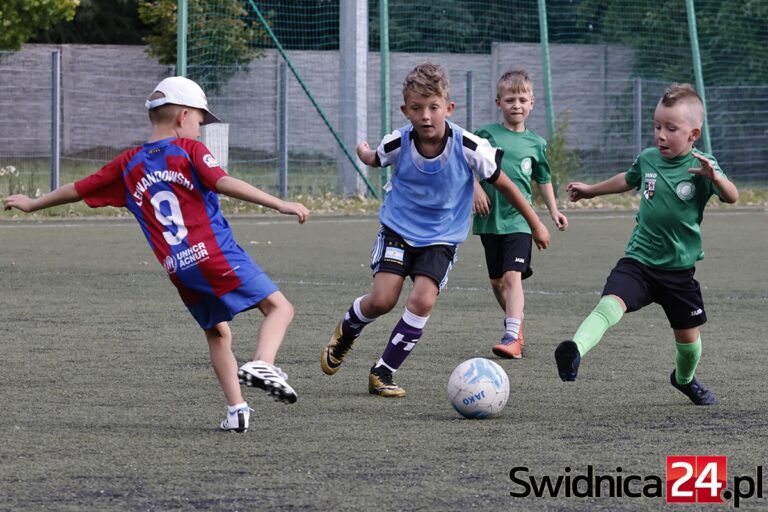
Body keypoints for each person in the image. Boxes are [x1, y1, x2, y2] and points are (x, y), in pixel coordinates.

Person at [3, 76, 310, 432]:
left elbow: (77, 188)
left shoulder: (128, 164)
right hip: (214, 255)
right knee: (279, 308)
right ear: (182, 117)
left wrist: (33, 203)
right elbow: (223, 181)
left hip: (179, 269)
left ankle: (236, 409)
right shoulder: (189, 151)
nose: (200, 129)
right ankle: (263, 362)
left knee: (217, 333)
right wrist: (279, 203)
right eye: (199, 120)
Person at [320, 62, 551, 397]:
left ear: (449, 108)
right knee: (383, 299)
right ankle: (349, 328)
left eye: (433, 107)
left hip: (441, 238)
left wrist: (536, 223)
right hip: (398, 230)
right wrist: (364, 152)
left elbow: (506, 185)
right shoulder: (399, 142)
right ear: (405, 110)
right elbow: (374, 158)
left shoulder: (469, 146)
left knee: (423, 300)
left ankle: (383, 371)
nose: (426, 116)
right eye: (417, 108)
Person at [554, 83, 738, 405]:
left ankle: (683, 380)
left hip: (678, 272)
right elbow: (628, 178)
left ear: (693, 134)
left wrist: (716, 178)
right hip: (639, 261)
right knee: (610, 304)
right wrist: (591, 190)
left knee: (689, 343)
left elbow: (731, 196)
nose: (661, 135)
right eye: (657, 126)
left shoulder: (702, 165)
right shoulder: (649, 159)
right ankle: (575, 351)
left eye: (671, 128)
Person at [472, 69, 568, 359]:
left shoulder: (536, 143)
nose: (516, 105)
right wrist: (476, 189)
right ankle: (517, 325)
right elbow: (467, 164)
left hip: (520, 221)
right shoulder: (487, 135)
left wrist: (553, 211)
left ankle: (512, 335)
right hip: (490, 218)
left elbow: (543, 179)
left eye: (522, 99)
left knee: (513, 276)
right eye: (510, 99)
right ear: (498, 102)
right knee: (496, 282)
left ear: (532, 103)